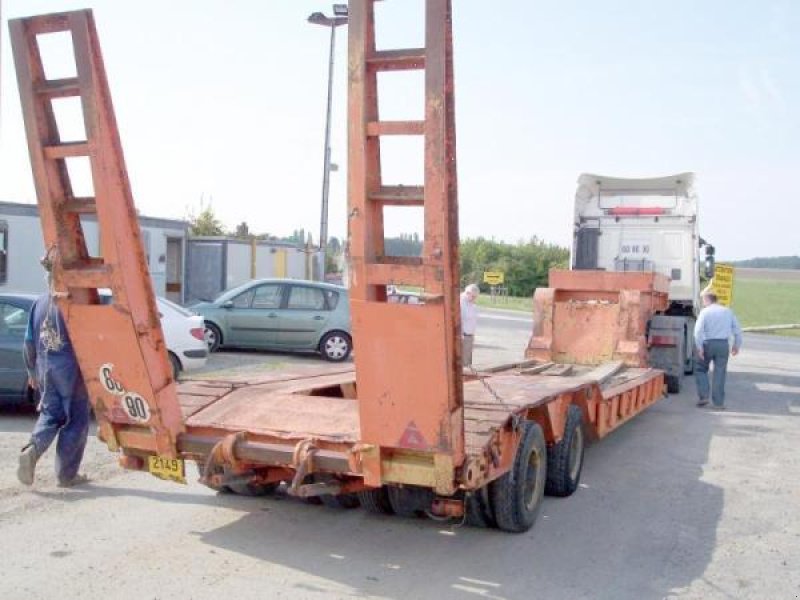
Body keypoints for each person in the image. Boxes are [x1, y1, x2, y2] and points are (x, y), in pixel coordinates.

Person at [17, 294, 90, 487]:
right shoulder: (73, 302)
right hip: (71, 369)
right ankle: (66, 475)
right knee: (76, 420)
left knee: (50, 414)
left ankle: (32, 449)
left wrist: (31, 370)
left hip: (45, 367)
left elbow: (28, 342)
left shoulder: (38, 303)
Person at [693, 291, 743, 410]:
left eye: (703, 300)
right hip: (723, 345)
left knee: (700, 369)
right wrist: (736, 345)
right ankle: (718, 403)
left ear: (706, 300)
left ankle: (704, 396)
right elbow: (737, 330)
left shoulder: (705, 312)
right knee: (720, 373)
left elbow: (698, 331)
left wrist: (699, 347)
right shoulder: (728, 311)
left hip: (708, 344)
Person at [460, 283, 480, 367]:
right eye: (473, 297)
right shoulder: (460, 303)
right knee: (462, 364)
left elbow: (472, 320)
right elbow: (459, 320)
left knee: (467, 363)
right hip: (463, 337)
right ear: (467, 293)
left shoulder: (471, 303)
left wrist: (472, 336)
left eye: (475, 297)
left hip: (469, 336)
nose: (474, 299)